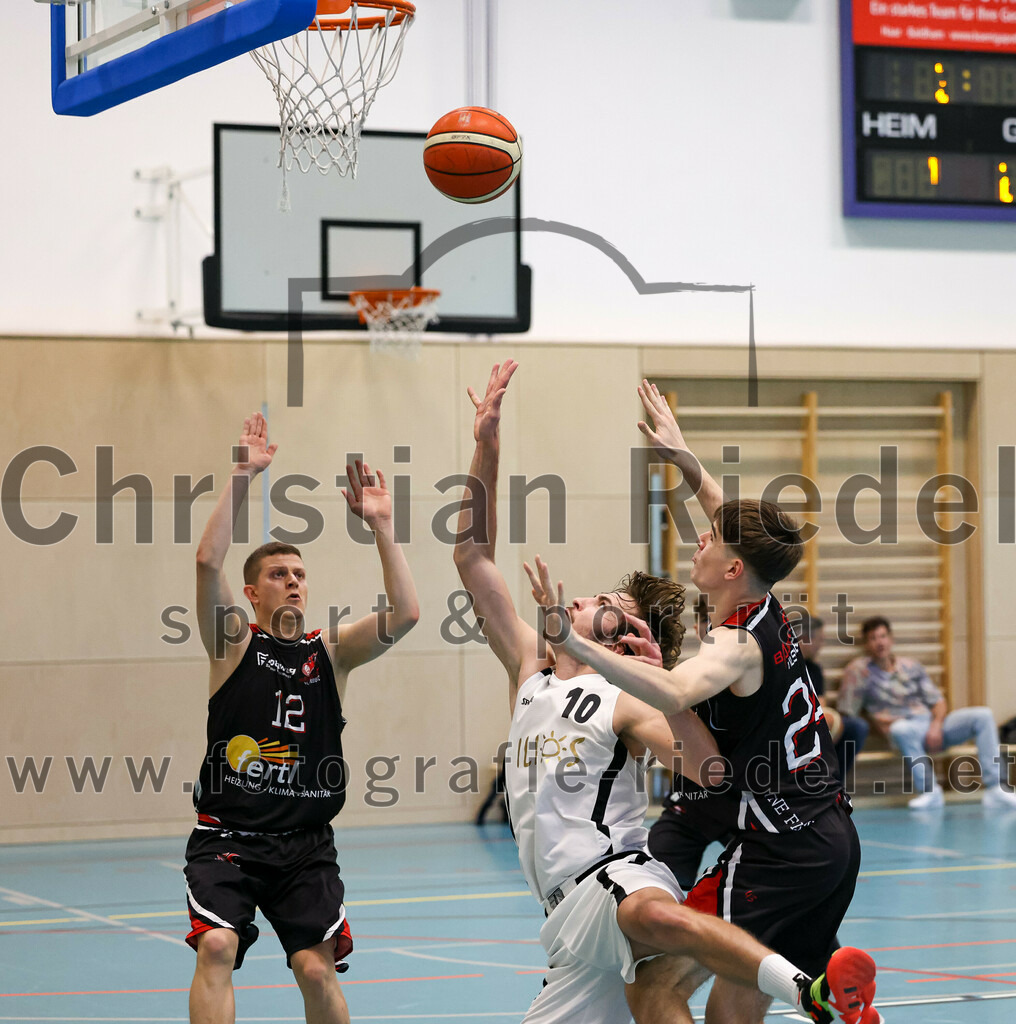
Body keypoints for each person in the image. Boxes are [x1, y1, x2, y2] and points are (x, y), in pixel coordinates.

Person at [455, 361, 881, 1024]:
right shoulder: (530, 674)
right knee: (685, 999)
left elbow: (705, 762)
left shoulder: (638, 692)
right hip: (569, 918)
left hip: (631, 878)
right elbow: (473, 558)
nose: (586, 598)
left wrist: (599, 656)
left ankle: (810, 992)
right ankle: (812, 985)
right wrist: (487, 445)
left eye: (609, 607)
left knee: (666, 940)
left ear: (626, 645)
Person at [185, 412, 420, 1024]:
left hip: (304, 846)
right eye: (278, 574)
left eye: (299, 574)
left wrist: (383, 527)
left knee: (316, 969)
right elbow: (207, 562)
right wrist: (242, 476)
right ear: (253, 593)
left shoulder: (330, 654)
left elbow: (406, 613)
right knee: (217, 945)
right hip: (229, 837)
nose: (292, 582)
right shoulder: (234, 644)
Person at [840, 616, 1016, 811]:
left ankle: (996, 788)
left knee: (983, 715)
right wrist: (877, 725)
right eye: (873, 638)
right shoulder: (859, 671)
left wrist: (936, 725)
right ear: (866, 644)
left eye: (883, 636)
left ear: (891, 639)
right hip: (902, 729)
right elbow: (848, 713)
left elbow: (938, 701)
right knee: (900, 729)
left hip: (931, 724)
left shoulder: (910, 666)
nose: (879, 642)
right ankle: (930, 791)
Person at [647, 598, 737, 893]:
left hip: (746, 808)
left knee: (776, 889)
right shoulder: (681, 682)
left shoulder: (755, 678)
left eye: (727, 624)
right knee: (650, 882)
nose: (717, 630)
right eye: (709, 622)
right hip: (691, 805)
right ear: (698, 628)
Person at [798, 615, 868, 786]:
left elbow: (820, 703)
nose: (821, 645)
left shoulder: (814, 668)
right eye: (820, 640)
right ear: (806, 639)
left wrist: (827, 722)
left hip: (812, 718)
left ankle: (834, 783)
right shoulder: (783, 664)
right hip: (790, 719)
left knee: (856, 727)